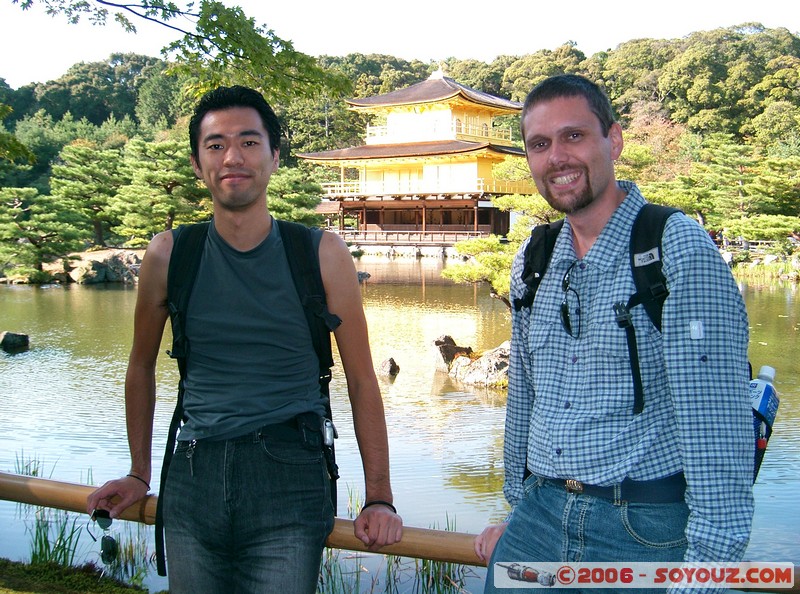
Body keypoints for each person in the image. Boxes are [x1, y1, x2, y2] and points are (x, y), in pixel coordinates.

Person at [87, 85, 402, 593]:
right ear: (197, 163)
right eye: (215, 145)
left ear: (275, 157)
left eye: (250, 142)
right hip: (192, 472)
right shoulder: (170, 255)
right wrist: (139, 473)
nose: (232, 156)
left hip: (291, 473)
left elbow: (363, 379)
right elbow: (139, 366)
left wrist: (379, 496)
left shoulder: (320, 254)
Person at [474, 75, 754, 592]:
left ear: (615, 140)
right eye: (539, 144)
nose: (556, 157)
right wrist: (518, 505)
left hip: (642, 526)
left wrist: (708, 567)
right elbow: (527, 395)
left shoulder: (674, 248)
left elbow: (717, 418)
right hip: (538, 521)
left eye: (574, 136)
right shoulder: (535, 258)